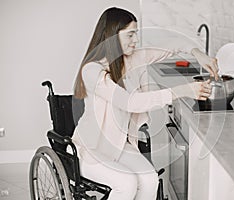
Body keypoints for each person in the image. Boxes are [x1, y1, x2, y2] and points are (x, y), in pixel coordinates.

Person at [72, 7, 218, 200]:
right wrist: (183, 90)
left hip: (121, 146)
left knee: (150, 180)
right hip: (93, 151)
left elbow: (174, 44)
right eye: (130, 35)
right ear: (112, 36)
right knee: (127, 184)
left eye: (136, 34)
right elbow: (129, 102)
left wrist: (200, 54)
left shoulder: (133, 59)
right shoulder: (92, 70)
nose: (136, 40)